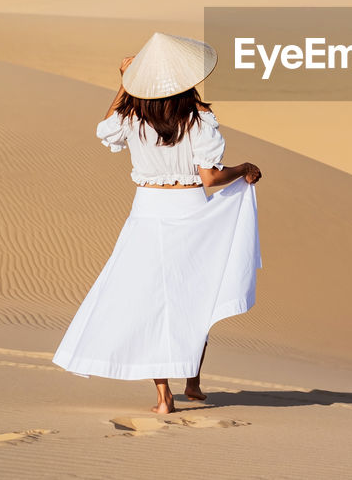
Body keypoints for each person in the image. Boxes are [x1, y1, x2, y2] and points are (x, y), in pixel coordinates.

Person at [52, 32, 263, 414]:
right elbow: (212, 178)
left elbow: (105, 131)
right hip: (190, 211)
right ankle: (193, 383)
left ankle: (164, 397)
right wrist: (244, 168)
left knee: (151, 302)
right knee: (196, 297)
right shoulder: (199, 120)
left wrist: (123, 83)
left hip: (147, 211)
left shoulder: (133, 116)